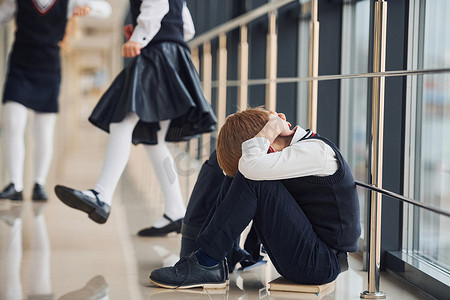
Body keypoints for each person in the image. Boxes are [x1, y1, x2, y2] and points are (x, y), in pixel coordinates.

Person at [149, 107, 360, 289]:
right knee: (249, 173)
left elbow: (251, 168)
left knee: (252, 175)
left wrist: (271, 126)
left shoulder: (316, 152)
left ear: (267, 143)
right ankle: (211, 258)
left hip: (320, 264)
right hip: (306, 255)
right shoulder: (295, 151)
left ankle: (207, 261)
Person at [54, 0, 216, 235]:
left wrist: (138, 37)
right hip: (173, 57)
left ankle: (102, 194)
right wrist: (145, 31)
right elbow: (186, 28)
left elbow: (157, 5)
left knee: (123, 121)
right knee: (154, 141)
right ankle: (176, 211)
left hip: (156, 56)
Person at [0, 0, 111, 201]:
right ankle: (15, 185)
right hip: (19, 67)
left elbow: (106, 10)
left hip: (49, 70)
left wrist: (89, 8)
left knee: (43, 130)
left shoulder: (68, 2)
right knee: (13, 122)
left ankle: (38, 184)